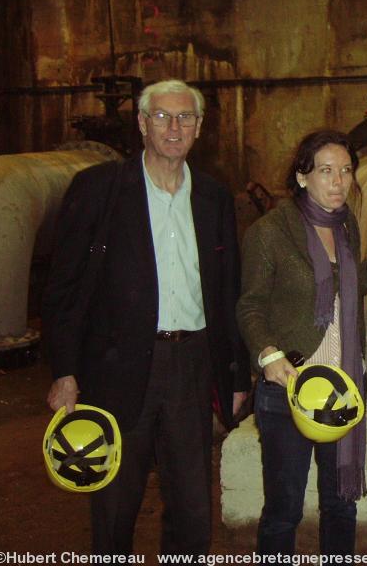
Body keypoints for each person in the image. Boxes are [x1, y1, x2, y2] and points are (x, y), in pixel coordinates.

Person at [43, 78, 250, 555]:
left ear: (199, 127)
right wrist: (65, 371)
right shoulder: (99, 190)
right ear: (141, 124)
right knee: (116, 503)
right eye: (161, 116)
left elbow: (226, 292)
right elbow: (64, 291)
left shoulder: (214, 198)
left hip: (192, 366)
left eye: (185, 117)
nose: (173, 127)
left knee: (193, 509)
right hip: (117, 368)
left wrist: (235, 371)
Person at [236, 130, 367, 557]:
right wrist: (268, 353)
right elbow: (250, 306)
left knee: (341, 505)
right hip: (289, 388)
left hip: (342, 387)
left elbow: (345, 287)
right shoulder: (270, 232)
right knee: (284, 510)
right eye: (326, 171)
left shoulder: (346, 225)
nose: (338, 181)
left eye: (345, 171)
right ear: (302, 177)